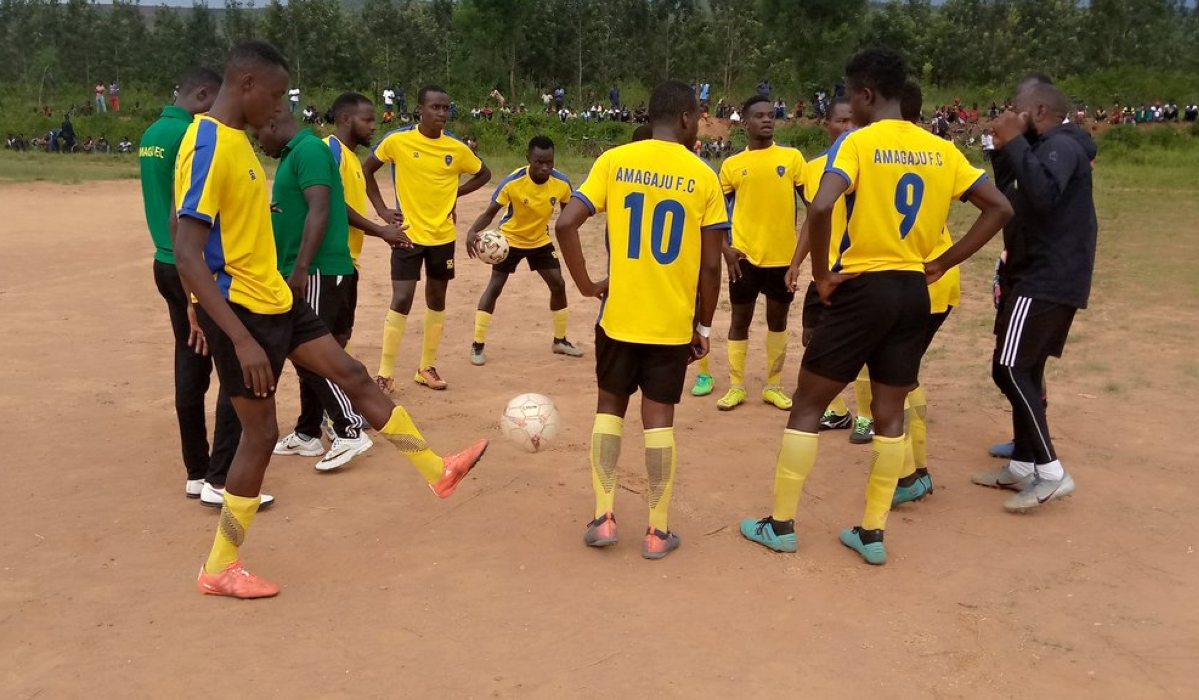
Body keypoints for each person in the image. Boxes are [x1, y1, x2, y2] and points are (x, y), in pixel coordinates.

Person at [174, 41, 489, 599]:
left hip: (277, 300)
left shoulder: (238, 143)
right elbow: (188, 255)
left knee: (353, 374)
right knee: (261, 435)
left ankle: (437, 469)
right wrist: (242, 339)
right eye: (274, 95)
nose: (277, 109)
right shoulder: (205, 145)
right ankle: (219, 566)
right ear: (246, 83)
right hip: (244, 314)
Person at [738, 47, 1012, 565]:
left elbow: (821, 204)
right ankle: (871, 533)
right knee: (890, 412)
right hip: (914, 290)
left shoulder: (858, 143)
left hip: (865, 286)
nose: (848, 107)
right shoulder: (940, 148)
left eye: (848, 96)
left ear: (865, 95)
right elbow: (1000, 207)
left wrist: (821, 274)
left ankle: (780, 525)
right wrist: (944, 261)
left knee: (809, 404)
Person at [555, 81, 729, 560]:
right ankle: (657, 530)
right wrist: (704, 327)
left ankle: (604, 518)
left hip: (619, 317)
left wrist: (589, 285)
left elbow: (566, 223)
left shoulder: (614, 162)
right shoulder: (704, 175)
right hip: (671, 323)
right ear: (688, 119)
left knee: (609, 409)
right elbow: (712, 267)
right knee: (659, 419)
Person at [971, 83, 1097, 512]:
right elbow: (1012, 199)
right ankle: (1024, 464)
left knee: (1009, 368)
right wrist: (1003, 148)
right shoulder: (1041, 146)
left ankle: (1050, 470)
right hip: (1029, 273)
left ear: (1038, 111)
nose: (1007, 113)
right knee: (1025, 368)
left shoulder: (1062, 146)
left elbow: (1042, 197)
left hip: (1048, 278)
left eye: (1015, 109)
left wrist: (1018, 144)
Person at [138, 67, 258, 507]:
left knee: (189, 359)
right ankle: (220, 476)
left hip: (165, 262)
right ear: (205, 94)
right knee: (230, 363)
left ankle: (195, 468)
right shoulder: (194, 134)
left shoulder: (153, 132)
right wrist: (196, 290)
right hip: (197, 268)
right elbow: (188, 211)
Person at [255, 109, 379, 472]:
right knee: (309, 353)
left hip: (317, 271)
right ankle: (308, 433)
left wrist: (301, 268)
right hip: (320, 270)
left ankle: (348, 428)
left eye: (259, 132)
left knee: (310, 353)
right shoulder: (299, 153)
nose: (259, 143)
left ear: (273, 121)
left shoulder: (307, 150)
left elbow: (321, 210)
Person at [364, 85, 492, 393]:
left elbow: (483, 173)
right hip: (407, 234)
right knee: (402, 298)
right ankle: (385, 374)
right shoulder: (398, 141)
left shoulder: (457, 149)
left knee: (436, 299)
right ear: (420, 109)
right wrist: (382, 211)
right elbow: (366, 169)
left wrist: (455, 195)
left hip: (442, 236)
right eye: (435, 107)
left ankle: (426, 367)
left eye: (446, 108)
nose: (441, 113)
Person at [690, 95, 805, 413]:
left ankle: (774, 386)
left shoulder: (793, 159)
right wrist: (726, 249)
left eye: (771, 115)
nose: (767, 120)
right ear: (746, 121)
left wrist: (797, 260)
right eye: (759, 116)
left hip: (782, 259)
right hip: (743, 259)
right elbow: (710, 215)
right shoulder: (732, 165)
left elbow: (815, 209)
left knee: (777, 321)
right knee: (739, 320)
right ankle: (736, 385)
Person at [464, 136, 583, 366]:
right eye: (539, 162)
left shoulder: (562, 183)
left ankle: (560, 340)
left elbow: (569, 218)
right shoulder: (513, 182)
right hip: (510, 240)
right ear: (528, 158)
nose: (545, 167)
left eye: (549, 162)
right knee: (495, 287)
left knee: (558, 284)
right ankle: (477, 344)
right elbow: (490, 212)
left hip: (539, 240)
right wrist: (472, 231)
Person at [786, 96, 855, 431]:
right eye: (841, 120)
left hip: (858, 271)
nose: (848, 127)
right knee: (813, 339)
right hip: (823, 273)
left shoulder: (868, 162)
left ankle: (869, 417)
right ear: (828, 124)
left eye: (854, 121)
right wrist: (797, 262)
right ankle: (838, 410)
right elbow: (814, 220)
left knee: (867, 346)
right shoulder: (815, 169)